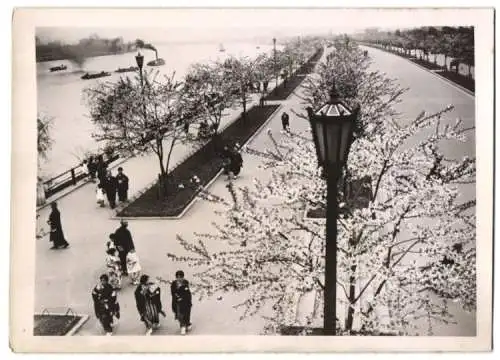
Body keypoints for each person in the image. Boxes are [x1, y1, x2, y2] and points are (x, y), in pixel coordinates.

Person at [171, 270, 192, 335]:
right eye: (178, 277)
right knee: (179, 314)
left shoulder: (185, 282)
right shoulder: (174, 283)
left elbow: (187, 292)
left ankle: (187, 323)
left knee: (186, 314)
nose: (179, 279)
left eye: (181, 277)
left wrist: (183, 298)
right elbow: (173, 292)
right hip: (177, 302)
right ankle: (182, 326)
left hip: (186, 301)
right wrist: (178, 297)